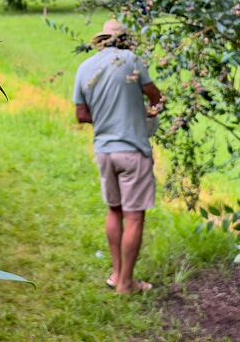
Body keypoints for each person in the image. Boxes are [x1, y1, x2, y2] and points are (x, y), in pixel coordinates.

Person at [74, 19, 164, 295]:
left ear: (101, 40)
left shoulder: (85, 68)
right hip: (133, 150)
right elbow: (157, 98)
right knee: (134, 217)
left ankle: (116, 274)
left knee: (114, 210)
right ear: (125, 40)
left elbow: (81, 115)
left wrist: (105, 119)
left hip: (104, 152)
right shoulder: (132, 61)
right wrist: (147, 114)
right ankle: (126, 284)